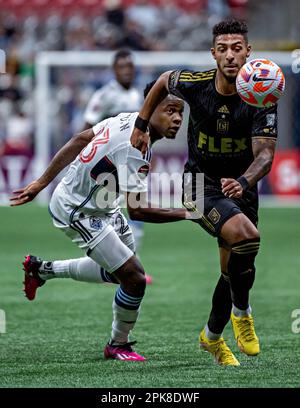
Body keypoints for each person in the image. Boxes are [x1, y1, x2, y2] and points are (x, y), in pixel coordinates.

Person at [130, 19, 278, 366]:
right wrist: (141, 123)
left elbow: (266, 154)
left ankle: (211, 337)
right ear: (213, 53)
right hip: (198, 183)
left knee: (237, 268)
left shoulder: (262, 95)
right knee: (246, 237)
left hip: (239, 186)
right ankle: (242, 314)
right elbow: (165, 79)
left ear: (248, 53)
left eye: (237, 48)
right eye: (223, 49)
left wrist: (243, 181)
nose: (230, 55)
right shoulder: (196, 84)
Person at [11, 83, 187, 361]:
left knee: (122, 273)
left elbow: (81, 139)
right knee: (135, 279)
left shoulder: (125, 118)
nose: (177, 118)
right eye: (170, 110)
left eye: (180, 112)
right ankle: (118, 344)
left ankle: (40, 270)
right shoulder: (136, 147)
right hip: (77, 210)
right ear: (151, 108)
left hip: (104, 206)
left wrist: (43, 182)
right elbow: (139, 211)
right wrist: (190, 213)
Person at [82, 48, 149, 281]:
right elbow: (87, 127)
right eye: (122, 67)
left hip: (132, 163)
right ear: (114, 70)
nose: (127, 71)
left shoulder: (141, 96)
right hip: (109, 165)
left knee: (136, 214)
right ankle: (123, 268)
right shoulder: (103, 96)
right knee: (114, 215)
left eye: (130, 67)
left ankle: (131, 268)